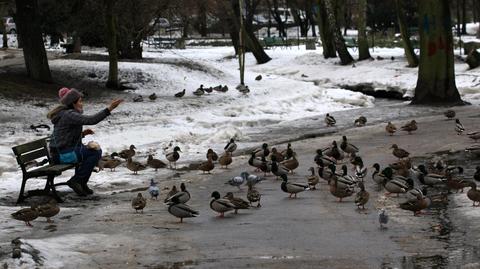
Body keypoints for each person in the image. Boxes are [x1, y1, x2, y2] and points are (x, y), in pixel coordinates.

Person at [47, 87, 123, 196]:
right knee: (95, 152)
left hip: (63, 152)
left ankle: (81, 182)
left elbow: (65, 135)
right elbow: (91, 120)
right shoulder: (69, 114)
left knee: (93, 151)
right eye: (80, 101)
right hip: (62, 155)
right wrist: (110, 108)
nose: (82, 104)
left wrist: (82, 134)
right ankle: (77, 181)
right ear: (73, 103)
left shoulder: (68, 113)